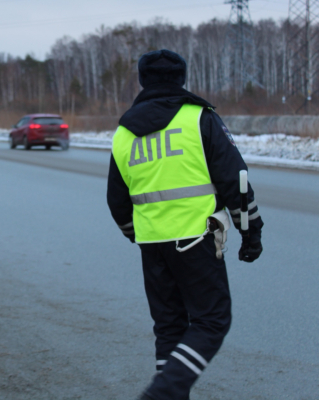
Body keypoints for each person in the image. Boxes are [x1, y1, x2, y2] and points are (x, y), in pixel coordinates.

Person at [106, 49, 264, 400]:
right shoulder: (198, 118)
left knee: (169, 328)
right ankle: (162, 393)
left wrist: (139, 235)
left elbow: (117, 201)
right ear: (182, 78)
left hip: (152, 243)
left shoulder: (124, 132)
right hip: (197, 238)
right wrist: (250, 232)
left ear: (143, 80)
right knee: (212, 321)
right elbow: (234, 180)